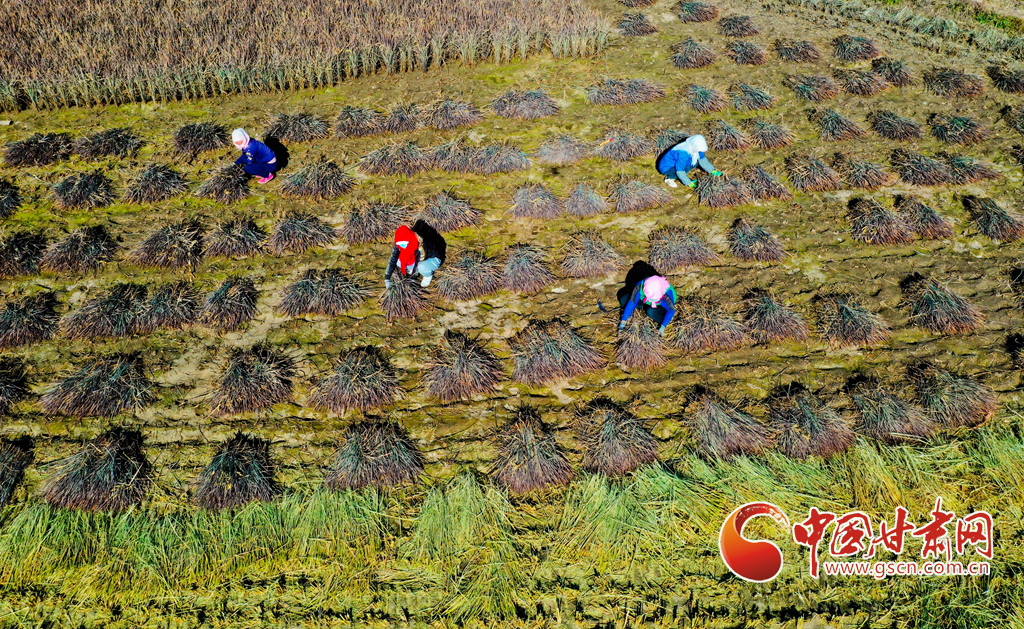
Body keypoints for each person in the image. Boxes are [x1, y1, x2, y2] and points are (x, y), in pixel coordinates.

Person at [384, 219, 446, 288]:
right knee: (399, 261)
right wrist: (387, 278)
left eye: (404, 244)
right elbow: (393, 258)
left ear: (409, 240)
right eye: (400, 244)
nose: (402, 246)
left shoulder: (420, 245)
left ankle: (428, 275)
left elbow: (418, 262)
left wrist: (412, 279)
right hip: (416, 257)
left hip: (433, 258)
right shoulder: (399, 243)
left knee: (422, 267)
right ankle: (411, 268)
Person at [656, 134, 722, 189]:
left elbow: (702, 159)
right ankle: (669, 178)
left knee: (695, 163)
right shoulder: (683, 152)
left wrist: (712, 170)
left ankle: (680, 175)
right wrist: (688, 182)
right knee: (684, 169)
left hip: (677, 163)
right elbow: (680, 170)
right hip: (666, 168)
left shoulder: (696, 147)